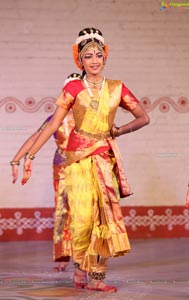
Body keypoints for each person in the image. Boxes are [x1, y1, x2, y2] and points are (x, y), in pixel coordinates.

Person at [21, 27, 150, 292]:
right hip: (77, 161)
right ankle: (80, 268)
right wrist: (30, 156)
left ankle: (96, 278)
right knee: (81, 220)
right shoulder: (72, 88)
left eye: (98, 55)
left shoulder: (117, 88)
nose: (94, 60)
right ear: (80, 60)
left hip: (103, 158)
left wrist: (118, 130)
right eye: (88, 56)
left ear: (105, 57)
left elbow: (143, 117)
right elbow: (52, 125)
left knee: (104, 218)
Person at [10, 73, 81, 271]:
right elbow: (35, 138)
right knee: (62, 210)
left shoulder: (88, 118)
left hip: (85, 167)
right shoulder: (55, 119)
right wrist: (16, 160)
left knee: (84, 211)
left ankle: (85, 257)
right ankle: (63, 256)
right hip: (61, 168)